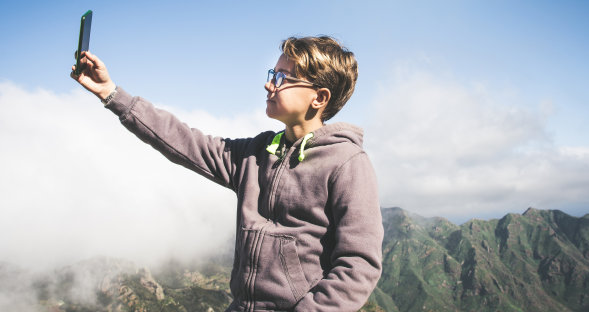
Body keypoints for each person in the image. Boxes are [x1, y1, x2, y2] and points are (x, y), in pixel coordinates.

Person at [71, 36, 383, 311]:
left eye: (284, 77)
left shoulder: (348, 163)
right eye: (272, 73)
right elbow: (185, 141)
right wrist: (111, 94)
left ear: (319, 97)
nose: (269, 83)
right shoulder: (256, 154)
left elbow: (359, 266)